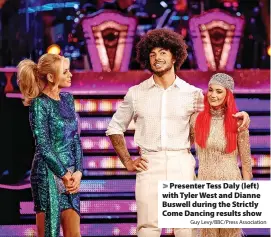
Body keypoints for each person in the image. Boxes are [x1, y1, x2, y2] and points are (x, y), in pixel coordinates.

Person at [106, 28, 250, 237]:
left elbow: (218, 114)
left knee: (185, 229)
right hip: (149, 163)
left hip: (181, 162)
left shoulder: (192, 94)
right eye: (152, 54)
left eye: (163, 52)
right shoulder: (136, 93)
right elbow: (114, 127)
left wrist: (243, 115)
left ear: (175, 56)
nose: (157, 58)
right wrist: (127, 161)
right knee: (147, 229)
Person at [17, 54, 83, 237]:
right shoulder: (39, 104)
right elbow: (44, 146)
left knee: (74, 233)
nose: (70, 75)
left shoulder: (68, 99)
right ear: (51, 77)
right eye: (65, 71)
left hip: (70, 175)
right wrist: (64, 174)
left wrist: (78, 172)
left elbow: (75, 139)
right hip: (48, 174)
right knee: (49, 233)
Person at [190, 73, 253, 237]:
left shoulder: (238, 121)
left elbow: (246, 163)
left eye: (219, 91)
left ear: (228, 95)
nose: (213, 95)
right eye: (210, 90)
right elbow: (182, 145)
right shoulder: (196, 120)